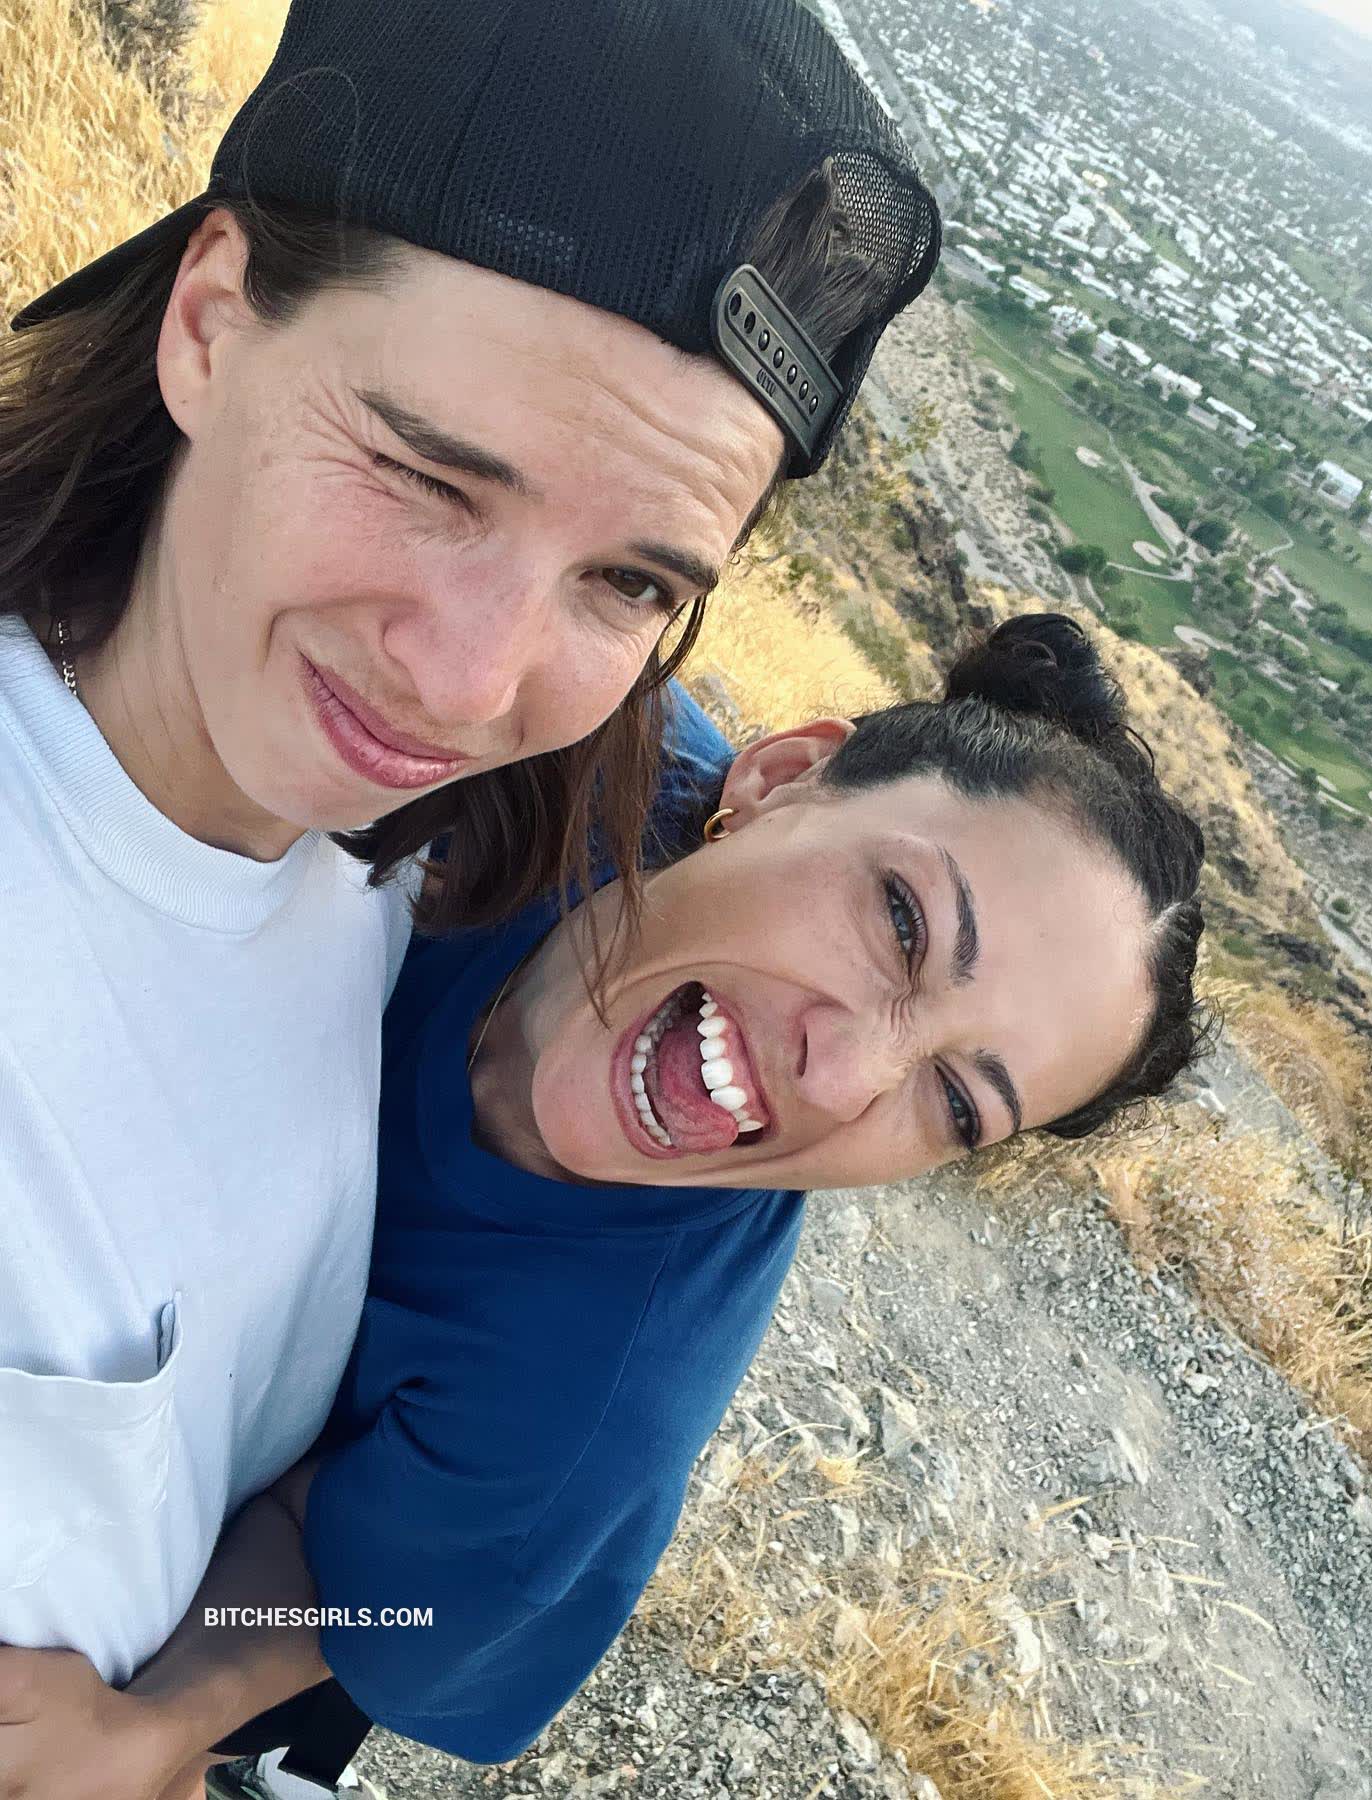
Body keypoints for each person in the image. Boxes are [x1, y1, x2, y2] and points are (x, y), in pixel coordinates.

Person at [0, 0, 940, 1717]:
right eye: (427, 475)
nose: (468, 683)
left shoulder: (447, 855)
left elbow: (397, 1608)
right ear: (209, 323)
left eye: (629, 584)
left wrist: (180, 1719)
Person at [1, 614, 1211, 1800]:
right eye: (902, 923)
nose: (843, 1078)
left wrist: (157, 1723)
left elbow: (363, 1601)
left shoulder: (583, 1406)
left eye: (952, 1101)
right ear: (777, 780)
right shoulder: (553, 741)